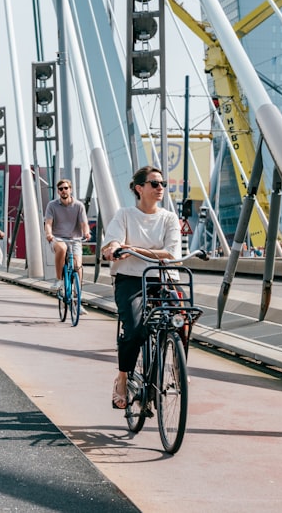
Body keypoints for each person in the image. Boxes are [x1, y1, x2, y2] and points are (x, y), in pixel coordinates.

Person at [100, 166, 180, 410]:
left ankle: (178, 366)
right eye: (154, 183)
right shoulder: (124, 215)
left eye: (162, 183)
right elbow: (113, 241)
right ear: (139, 188)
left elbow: (171, 253)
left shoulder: (169, 217)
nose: (160, 188)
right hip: (131, 279)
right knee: (134, 329)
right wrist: (114, 248)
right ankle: (123, 378)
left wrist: (132, 249)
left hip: (164, 278)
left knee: (182, 319)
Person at [44, 178, 91, 290]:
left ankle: (77, 299)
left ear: (71, 190)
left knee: (78, 266)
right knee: (62, 248)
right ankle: (59, 279)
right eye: (61, 189)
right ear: (58, 191)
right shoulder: (52, 205)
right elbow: (48, 223)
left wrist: (86, 233)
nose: (63, 191)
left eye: (66, 188)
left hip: (75, 239)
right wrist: (49, 234)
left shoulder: (79, 205)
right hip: (58, 238)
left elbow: (84, 223)